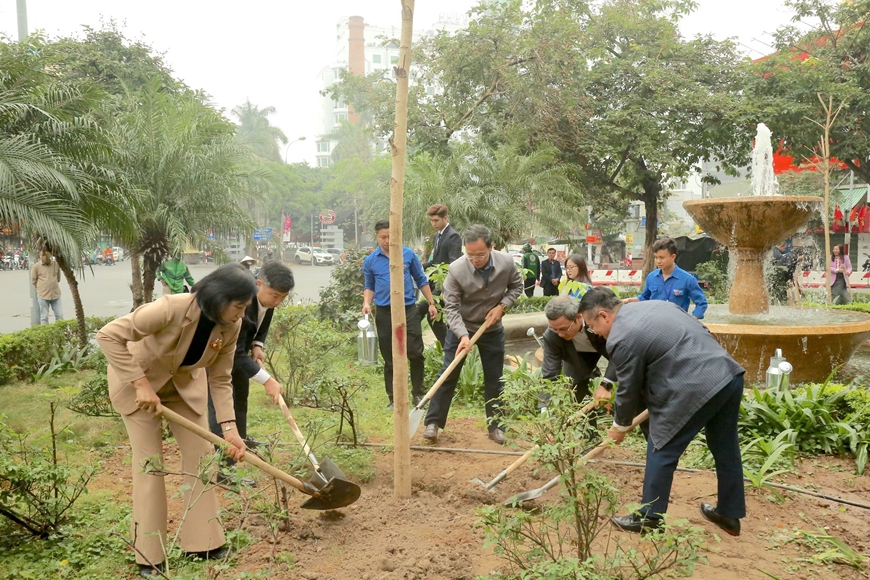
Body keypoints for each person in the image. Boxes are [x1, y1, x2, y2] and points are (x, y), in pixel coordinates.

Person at [95, 264, 256, 577]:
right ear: (218, 298)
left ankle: (203, 542)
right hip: (139, 386)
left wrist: (230, 429)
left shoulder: (230, 327)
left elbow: (221, 379)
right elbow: (108, 335)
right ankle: (149, 553)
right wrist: (141, 385)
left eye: (245, 308)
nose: (241, 314)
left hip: (183, 388)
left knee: (201, 456)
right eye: (238, 307)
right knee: (150, 464)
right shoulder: (169, 308)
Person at [579, 287, 746, 536]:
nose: (596, 333)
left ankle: (649, 517)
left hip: (693, 385)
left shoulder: (620, 336)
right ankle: (729, 514)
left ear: (603, 316)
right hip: (726, 374)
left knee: (661, 446)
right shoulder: (657, 305)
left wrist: (619, 428)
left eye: (593, 327)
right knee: (725, 447)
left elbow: (628, 388)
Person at [422, 225, 524, 444]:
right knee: (448, 373)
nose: (475, 259)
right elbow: (451, 307)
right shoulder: (457, 269)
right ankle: (433, 423)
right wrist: (462, 335)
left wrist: (502, 306)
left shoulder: (506, 263)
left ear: (491, 247)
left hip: (492, 329)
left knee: (495, 378)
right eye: (470, 255)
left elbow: (517, 286)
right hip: (462, 328)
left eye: (480, 254)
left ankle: (496, 427)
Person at [207, 260, 294, 483]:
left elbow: (261, 325)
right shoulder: (242, 307)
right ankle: (224, 473)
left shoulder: (267, 302)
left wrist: (257, 345)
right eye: (275, 295)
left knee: (239, 406)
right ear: (258, 284)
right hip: (217, 360)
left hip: (238, 357)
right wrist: (267, 380)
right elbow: (235, 355)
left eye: (283, 298)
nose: (278, 302)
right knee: (223, 411)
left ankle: (237, 452)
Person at [363, 219, 438, 408]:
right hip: (384, 312)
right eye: (383, 237)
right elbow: (369, 286)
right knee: (389, 357)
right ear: (377, 237)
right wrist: (366, 303)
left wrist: (431, 303)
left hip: (408, 309)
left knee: (415, 353)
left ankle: (418, 394)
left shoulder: (408, 255)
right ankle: (393, 398)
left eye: (391, 236)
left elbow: (421, 279)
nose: (387, 240)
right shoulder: (371, 261)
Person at [542, 296, 615, 404]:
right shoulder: (552, 336)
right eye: (555, 329)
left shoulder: (599, 322)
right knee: (575, 389)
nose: (560, 334)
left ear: (579, 317)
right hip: (577, 354)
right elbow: (550, 374)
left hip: (605, 347)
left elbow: (620, 355)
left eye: (564, 329)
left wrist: (606, 383)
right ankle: (589, 417)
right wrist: (545, 407)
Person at [623, 237, 707, 319]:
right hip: (654, 324)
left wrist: (693, 320)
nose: (658, 261)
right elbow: (645, 297)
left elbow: (701, 303)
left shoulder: (687, 279)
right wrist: (628, 301)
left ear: (673, 257)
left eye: (662, 257)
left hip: (676, 326)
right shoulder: (651, 277)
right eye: (656, 257)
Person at [419, 204, 463, 346]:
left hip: (444, 285)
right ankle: (448, 348)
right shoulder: (437, 235)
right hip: (435, 283)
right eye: (431, 220)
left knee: (420, 311)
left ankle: (448, 348)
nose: (433, 223)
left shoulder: (453, 236)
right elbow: (437, 262)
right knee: (434, 319)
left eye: (436, 220)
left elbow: (453, 265)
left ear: (445, 218)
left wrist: (444, 289)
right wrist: (417, 266)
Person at [30, 249, 63, 324]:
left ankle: (61, 333)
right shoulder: (36, 267)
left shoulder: (55, 265)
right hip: (43, 296)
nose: (45, 257)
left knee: (59, 316)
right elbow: (33, 281)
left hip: (56, 294)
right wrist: (41, 287)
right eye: (43, 255)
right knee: (44, 317)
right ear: (40, 256)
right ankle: (45, 333)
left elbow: (58, 278)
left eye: (46, 255)